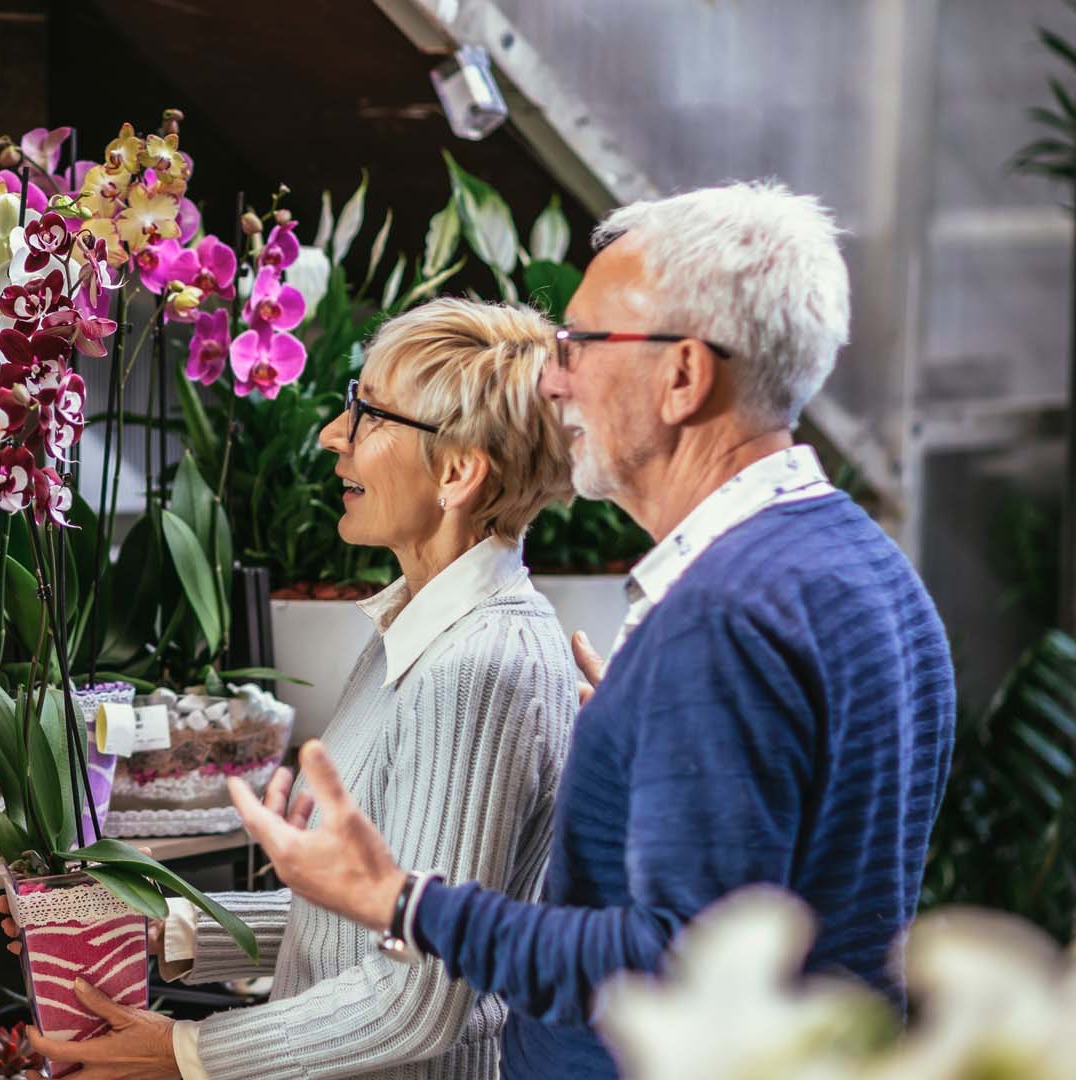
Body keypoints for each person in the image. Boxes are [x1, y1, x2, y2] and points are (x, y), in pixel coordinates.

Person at [227, 181, 956, 1080]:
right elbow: (793, 894)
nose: (555, 375)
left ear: (684, 375)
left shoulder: (723, 617)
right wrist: (665, 750)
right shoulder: (869, 569)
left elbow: (671, 971)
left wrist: (402, 904)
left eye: (582, 342)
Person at [0, 298, 582, 1080]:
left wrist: (185, 1053)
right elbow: (370, 917)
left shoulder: (477, 664)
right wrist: (166, 927)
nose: (332, 435)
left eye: (369, 415)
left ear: (457, 472)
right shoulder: (416, 635)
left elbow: (419, 992)